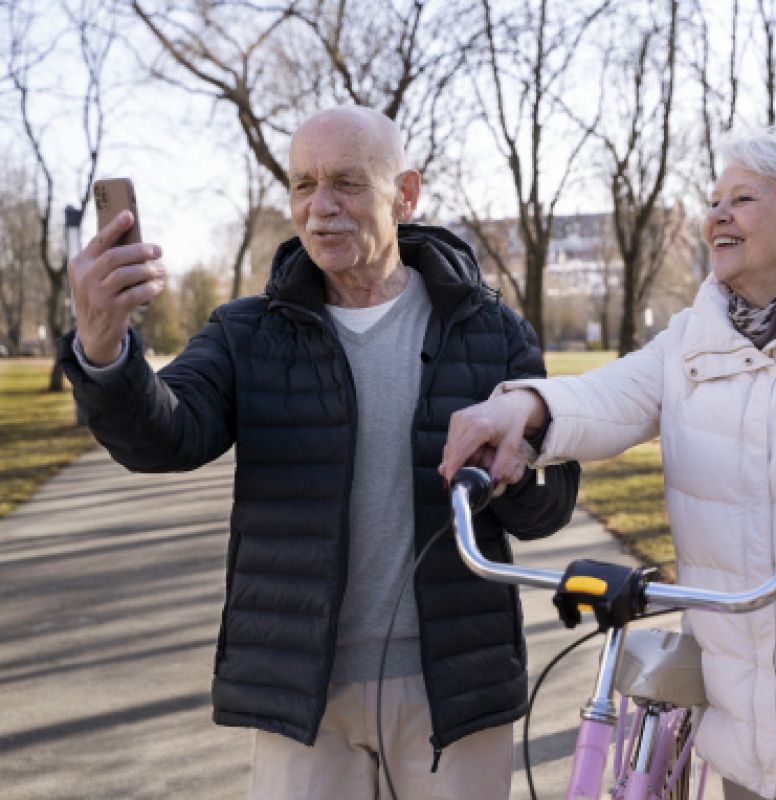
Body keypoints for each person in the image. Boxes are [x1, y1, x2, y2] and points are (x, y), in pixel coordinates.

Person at [440, 127, 776, 800]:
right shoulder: (689, 344)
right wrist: (520, 408)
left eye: (744, 199)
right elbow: (607, 396)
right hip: (746, 721)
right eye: (715, 200)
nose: (716, 215)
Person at [59, 105, 580, 800]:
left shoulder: (488, 330)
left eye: (346, 183)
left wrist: (515, 479)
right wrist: (102, 350)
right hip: (301, 695)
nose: (320, 207)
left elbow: (547, 508)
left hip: (455, 691)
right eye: (303, 185)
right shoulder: (247, 333)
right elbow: (163, 438)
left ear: (406, 194)